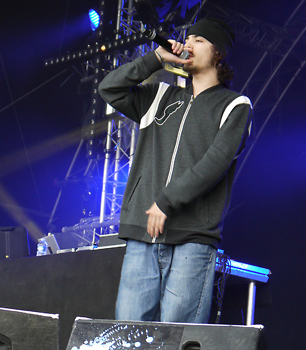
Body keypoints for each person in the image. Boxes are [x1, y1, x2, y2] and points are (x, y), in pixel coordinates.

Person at [98, 19, 252, 323]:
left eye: (199, 40)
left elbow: (215, 163)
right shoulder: (159, 96)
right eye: (188, 38)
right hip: (142, 235)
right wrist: (156, 58)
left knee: (178, 337)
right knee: (128, 335)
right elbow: (109, 88)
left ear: (218, 53)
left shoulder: (235, 105)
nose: (188, 44)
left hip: (192, 239)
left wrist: (166, 201)